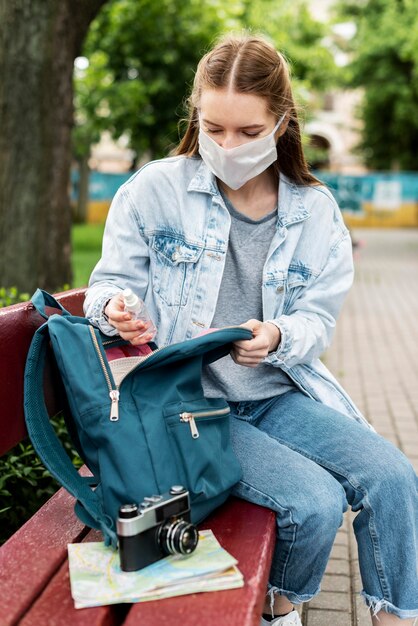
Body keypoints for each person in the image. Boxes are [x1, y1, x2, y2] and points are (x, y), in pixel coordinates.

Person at [84, 34, 418, 626]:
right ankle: (279, 609)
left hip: (276, 396)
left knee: (394, 479)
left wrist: (279, 337)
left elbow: (316, 318)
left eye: (246, 132)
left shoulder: (315, 211)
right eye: (213, 128)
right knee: (313, 503)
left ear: (282, 122)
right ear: (196, 113)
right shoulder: (153, 189)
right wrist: (114, 309)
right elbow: (108, 282)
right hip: (188, 406)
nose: (226, 146)